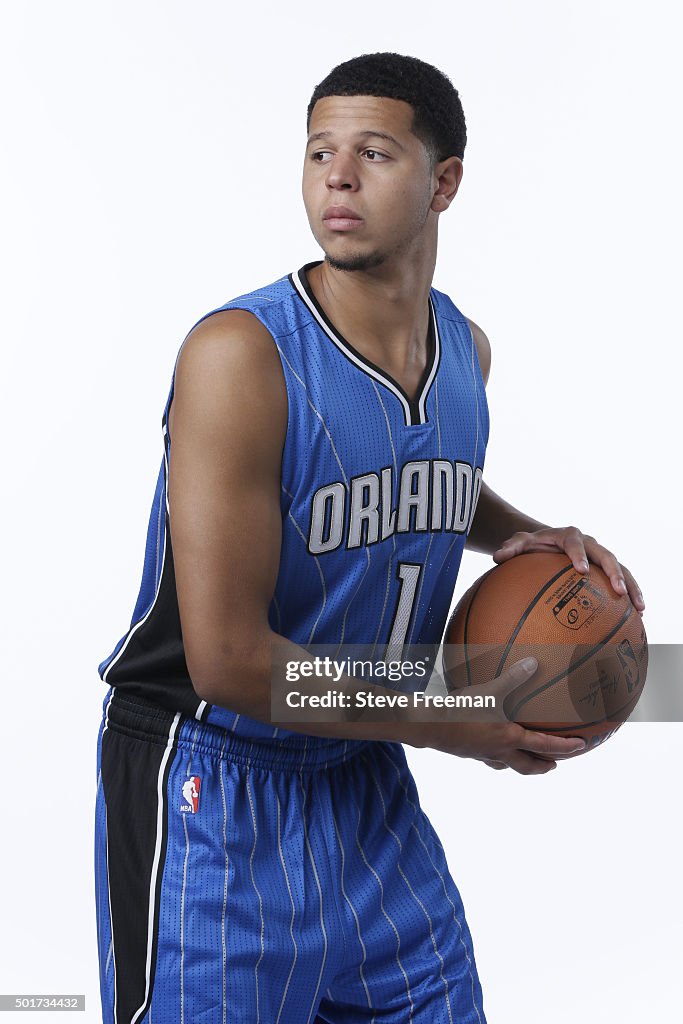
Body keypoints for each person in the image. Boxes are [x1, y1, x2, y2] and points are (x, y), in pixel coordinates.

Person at [94, 52, 645, 1024]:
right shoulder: (241, 357)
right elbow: (225, 661)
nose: (335, 176)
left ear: (444, 181)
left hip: (361, 772)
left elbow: (400, 471)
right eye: (318, 152)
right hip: (212, 784)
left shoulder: (463, 350)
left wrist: (522, 533)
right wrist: (449, 714)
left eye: (373, 152)